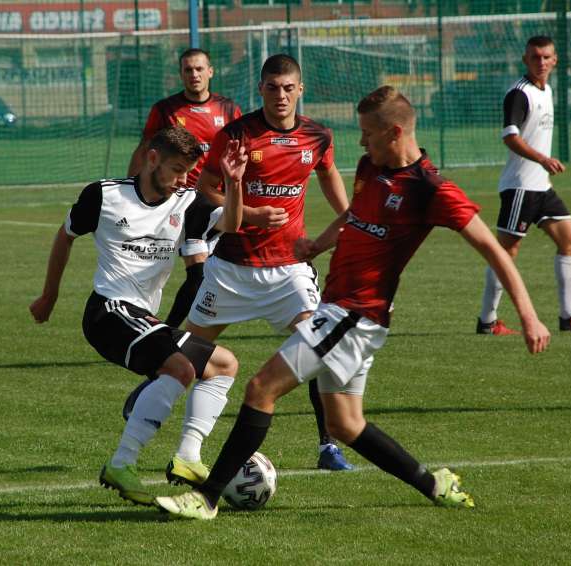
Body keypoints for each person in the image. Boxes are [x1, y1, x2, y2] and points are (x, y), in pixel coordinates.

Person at [154, 86, 551, 520]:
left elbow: (494, 250)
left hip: (354, 316)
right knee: (345, 424)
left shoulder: (431, 189)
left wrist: (529, 316)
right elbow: (354, 213)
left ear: (395, 132)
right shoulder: (370, 167)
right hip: (344, 312)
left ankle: (206, 497)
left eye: (368, 133)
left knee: (260, 388)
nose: (361, 142)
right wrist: (320, 244)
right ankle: (433, 482)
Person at [29, 125, 247, 505]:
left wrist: (234, 183)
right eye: (177, 169)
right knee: (181, 369)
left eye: (188, 172)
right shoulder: (104, 195)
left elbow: (232, 223)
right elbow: (65, 235)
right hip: (108, 311)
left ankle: (188, 456)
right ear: (151, 159)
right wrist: (50, 295)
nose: (182, 179)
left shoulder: (187, 203)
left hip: (143, 319)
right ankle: (122, 463)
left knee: (224, 365)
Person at [184, 53, 355, 472]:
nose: (280, 95)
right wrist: (250, 215)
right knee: (185, 353)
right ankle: (154, 403)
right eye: (272, 87)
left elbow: (330, 177)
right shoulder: (238, 134)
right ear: (260, 89)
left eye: (288, 88)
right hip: (231, 268)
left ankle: (328, 445)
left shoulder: (317, 136)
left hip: (288, 269)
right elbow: (206, 188)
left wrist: (346, 218)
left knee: (320, 348)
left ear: (300, 90)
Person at [477, 35, 571, 336]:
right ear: (526, 60)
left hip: (541, 187)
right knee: (505, 253)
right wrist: (542, 159)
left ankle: (568, 316)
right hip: (520, 187)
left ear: (555, 59)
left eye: (547, 57)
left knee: (569, 242)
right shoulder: (519, 94)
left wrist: (543, 166)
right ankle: (487, 321)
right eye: (535, 57)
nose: (541, 62)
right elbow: (510, 136)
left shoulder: (546, 90)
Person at [127, 48, 242, 329]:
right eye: (188, 70)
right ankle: (163, 328)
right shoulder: (165, 110)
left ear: (210, 71)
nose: (194, 75)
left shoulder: (228, 110)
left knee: (202, 274)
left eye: (199, 69)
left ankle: (170, 330)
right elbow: (145, 150)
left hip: (211, 205)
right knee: (161, 270)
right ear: (181, 74)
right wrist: (131, 190)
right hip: (176, 202)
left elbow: (239, 154)